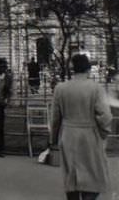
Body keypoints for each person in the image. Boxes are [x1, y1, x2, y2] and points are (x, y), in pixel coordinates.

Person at [50, 53, 113, 200]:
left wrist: (54, 138)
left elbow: (55, 118)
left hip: (68, 134)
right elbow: (105, 116)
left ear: (73, 69)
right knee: (92, 176)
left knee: (71, 176)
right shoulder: (95, 88)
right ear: (88, 69)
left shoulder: (61, 88)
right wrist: (103, 133)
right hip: (89, 135)